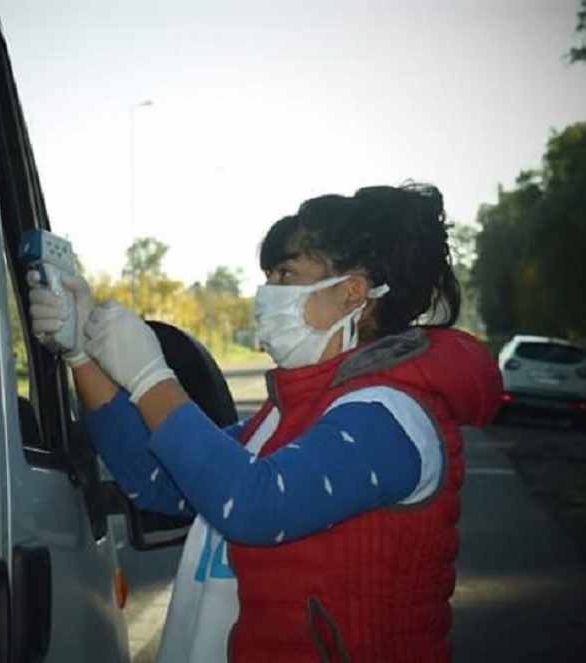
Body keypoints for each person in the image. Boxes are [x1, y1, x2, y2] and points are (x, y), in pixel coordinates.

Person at [29, 183, 502, 662]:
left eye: (286, 273)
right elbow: (161, 484)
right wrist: (81, 355)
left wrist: (151, 377)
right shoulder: (287, 415)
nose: (265, 293)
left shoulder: (390, 417)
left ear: (352, 294)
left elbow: (254, 505)